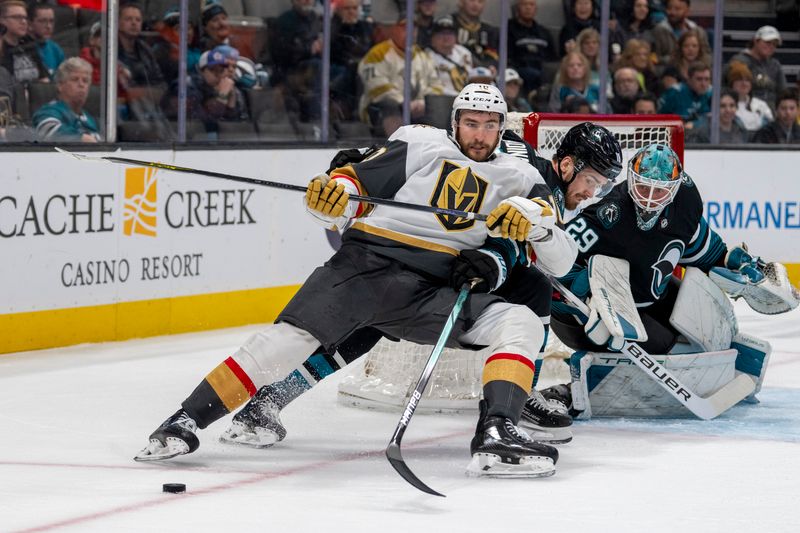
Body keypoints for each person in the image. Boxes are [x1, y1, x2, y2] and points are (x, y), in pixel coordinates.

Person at [135, 83, 580, 478]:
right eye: (470, 123)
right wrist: (334, 196)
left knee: (519, 322)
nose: (479, 134)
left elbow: (558, 252)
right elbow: (353, 186)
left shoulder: (521, 177)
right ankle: (184, 420)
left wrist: (535, 225)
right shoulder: (419, 144)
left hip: (432, 293)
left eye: (489, 124)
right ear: (454, 123)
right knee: (287, 341)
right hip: (364, 269)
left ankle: (498, 432)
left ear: (502, 127)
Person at [218, 121, 625, 451]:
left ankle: (518, 397)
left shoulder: (550, 190)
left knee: (526, 290)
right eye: (592, 180)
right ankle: (268, 399)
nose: (593, 193)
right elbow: (464, 153)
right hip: (411, 249)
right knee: (366, 323)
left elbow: (519, 248)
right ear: (568, 164)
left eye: (603, 187)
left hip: (447, 260)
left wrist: (506, 264)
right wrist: (360, 163)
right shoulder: (530, 172)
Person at [539, 142, 789, 417]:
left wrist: (735, 263)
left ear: (674, 188)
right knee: (667, 349)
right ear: (631, 180)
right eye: (644, 187)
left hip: (645, 295)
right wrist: (584, 301)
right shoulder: (608, 214)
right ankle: (573, 389)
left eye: (659, 191)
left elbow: (701, 247)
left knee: (696, 311)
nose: (649, 198)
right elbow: (553, 263)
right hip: (588, 315)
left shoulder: (686, 201)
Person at [357, 14, 443, 137]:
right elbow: (377, 88)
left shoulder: (423, 56)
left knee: (437, 106)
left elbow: (437, 85)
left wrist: (422, 102)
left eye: (414, 28)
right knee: (389, 105)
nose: (411, 32)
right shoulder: (378, 53)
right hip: (380, 111)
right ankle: (398, 144)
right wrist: (403, 103)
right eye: (404, 28)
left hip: (417, 110)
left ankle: (436, 145)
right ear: (394, 30)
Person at [161, 44, 249, 138]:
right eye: (221, 68)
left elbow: (237, 126)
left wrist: (231, 101)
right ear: (204, 70)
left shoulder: (231, 89)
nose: (229, 71)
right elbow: (199, 123)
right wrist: (222, 96)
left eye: (233, 67)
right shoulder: (186, 87)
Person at [272, 0, 323, 122]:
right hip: (291, 70)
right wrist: (309, 49)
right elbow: (282, 54)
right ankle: (316, 120)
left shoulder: (314, 19)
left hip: (314, 66)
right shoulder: (284, 21)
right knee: (317, 67)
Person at [32, 57, 100, 142]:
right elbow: (50, 133)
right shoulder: (47, 112)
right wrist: (82, 139)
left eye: (85, 81)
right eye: (75, 79)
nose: (81, 85)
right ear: (60, 85)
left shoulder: (91, 119)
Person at [330, 0, 373, 120]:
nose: (351, 12)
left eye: (354, 8)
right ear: (338, 11)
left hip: (362, 67)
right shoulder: (332, 27)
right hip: (337, 69)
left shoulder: (366, 27)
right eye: (347, 9)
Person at [728, 26, 787, 112]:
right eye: (767, 42)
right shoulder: (739, 61)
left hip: (773, 113)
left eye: (774, 44)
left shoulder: (775, 65)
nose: (771, 46)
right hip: (747, 111)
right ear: (756, 41)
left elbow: (783, 93)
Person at [507, 0, 556, 94]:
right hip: (520, 70)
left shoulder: (544, 33)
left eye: (531, 4)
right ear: (518, 7)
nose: (528, 7)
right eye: (524, 4)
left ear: (536, 9)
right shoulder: (509, 29)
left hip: (543, 71)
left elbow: (552, 58)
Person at [0, 0, 48, 83]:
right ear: (2, 20)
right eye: (17, 17)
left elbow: (43, 78)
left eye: (25, 18)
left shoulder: (29, 43)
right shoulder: (1, 48)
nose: (23, 22)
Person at [652, 0, 710, 67]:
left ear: (687, 11)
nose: (672, 12)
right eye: (669, 8)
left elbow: (707, 55)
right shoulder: (658, 31)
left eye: (677, 9)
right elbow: (654, 58)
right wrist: (676, 60)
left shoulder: (698, 31)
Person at [426, 15, 472, 96]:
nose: (446, 38)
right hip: (442, 101)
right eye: (441, 34)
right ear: (432, 39)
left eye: (450, 33)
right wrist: (458, 96)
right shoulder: (426, 58)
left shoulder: (464, 53)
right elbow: (431, 87)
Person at [658, 60, 711, 129]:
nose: (704, 84)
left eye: (707, 79)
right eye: (699, 79)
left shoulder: (711, 94)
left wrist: (695, 124)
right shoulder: (674, 93)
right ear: (689, 79)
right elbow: (660, 118)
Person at [726, 61, 773, 132]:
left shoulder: (761, 105)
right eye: (739, 79)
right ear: (732, 83)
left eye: (747, 80)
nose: (744, 83)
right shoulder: (725, 106)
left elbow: (771, 127)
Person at [452, 0, 499, 68]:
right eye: (471, 0)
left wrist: (487, 68)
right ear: (461, 2)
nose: (475, 5)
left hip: (483, 73)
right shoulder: (449, 25)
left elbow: (493, 57)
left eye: (480, 1)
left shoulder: (489, 31)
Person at [29, 3, 64, 79]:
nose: (48, 26)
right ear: (30, 24)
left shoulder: (56, 50)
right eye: (42, 21)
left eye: (51, 21)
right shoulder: (24, 48)